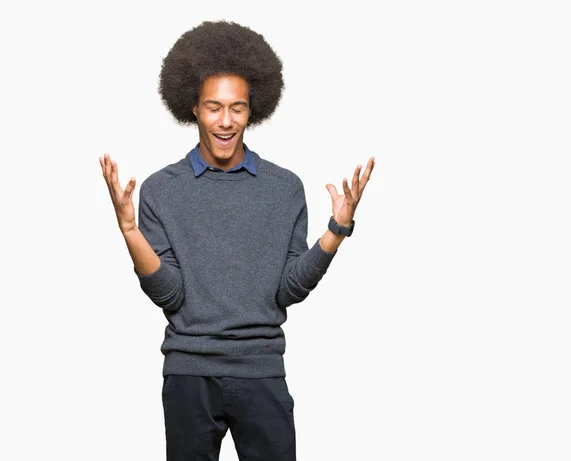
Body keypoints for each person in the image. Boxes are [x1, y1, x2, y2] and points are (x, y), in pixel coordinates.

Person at [99, 20, 375, 461]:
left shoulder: (283, 188)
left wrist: (336, 230)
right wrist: (131, 232)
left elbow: (287, 289)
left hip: (261, 371)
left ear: (253, 110)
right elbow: (170, 294)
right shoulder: (160, 190)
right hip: (190, 374)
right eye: (213, 107)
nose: (225, 122)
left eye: (237, 108)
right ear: (193, 108)